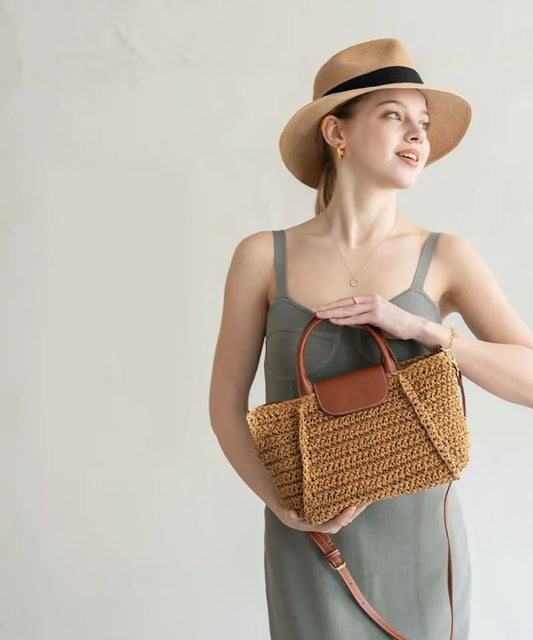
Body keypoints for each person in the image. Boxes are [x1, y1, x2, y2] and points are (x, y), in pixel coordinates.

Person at [209, 38, 533, 639]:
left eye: (424, 124)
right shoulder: (262, 257)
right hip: (307, 539)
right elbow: (225, 406)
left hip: (420, 546)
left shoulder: (446, 256)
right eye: (394, 116)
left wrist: (426, 331)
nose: (417, 135)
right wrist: (283, 508)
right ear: (337, 131)